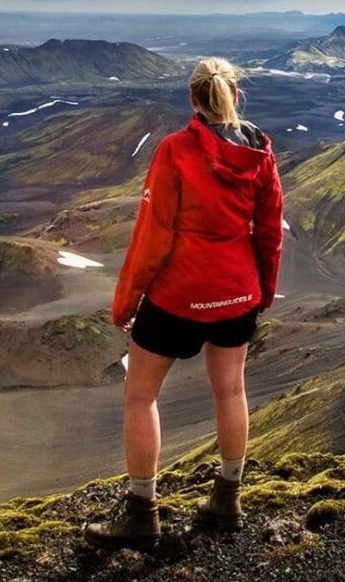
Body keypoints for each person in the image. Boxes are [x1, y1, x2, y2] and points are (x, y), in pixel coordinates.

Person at [83, 56, 284, 550]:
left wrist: (126, 301)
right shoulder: (260, 152)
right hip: (238, 294)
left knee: (140, 396)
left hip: (178, 297)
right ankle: (226, 501)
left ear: (194, 100)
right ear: (234, 98)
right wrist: (261, 292)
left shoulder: (175, 151)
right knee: (230, 392)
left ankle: (141, 512)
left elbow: (153, 236)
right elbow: (269, 231)